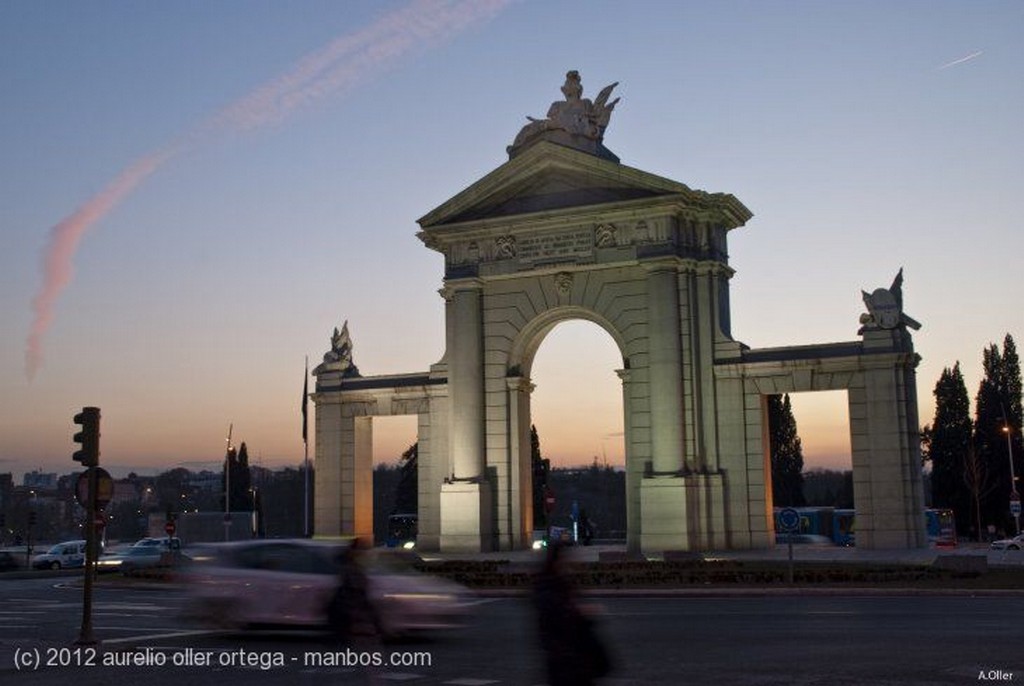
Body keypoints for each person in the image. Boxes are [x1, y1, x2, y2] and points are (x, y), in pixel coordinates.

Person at [532, 543, 611, 685]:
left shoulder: (561, 582)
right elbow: (555, 619)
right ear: (557, 560)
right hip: (567, 661)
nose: (572, 562)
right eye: (567, 558)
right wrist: (579, 611)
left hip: (574, 660)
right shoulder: (548, 586)